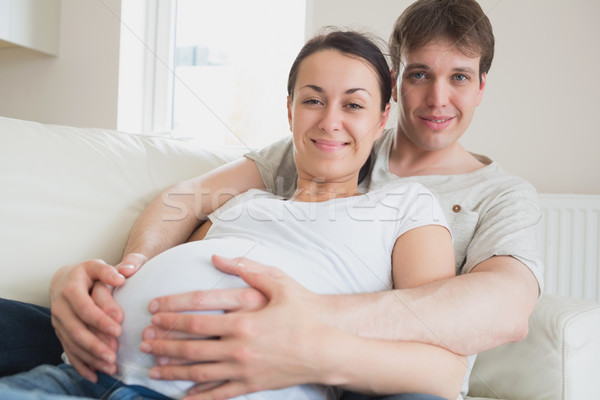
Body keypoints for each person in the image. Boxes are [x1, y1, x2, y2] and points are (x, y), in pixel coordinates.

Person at [8, 0, 543, 398]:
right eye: (420, 74)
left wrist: (312, 326)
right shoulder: (298, 159)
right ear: (398, 87)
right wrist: (119, 274)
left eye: (460, 77)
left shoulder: (459, 201)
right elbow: (187, 202)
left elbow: (499, 313)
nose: (437, 98)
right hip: (98, 363)